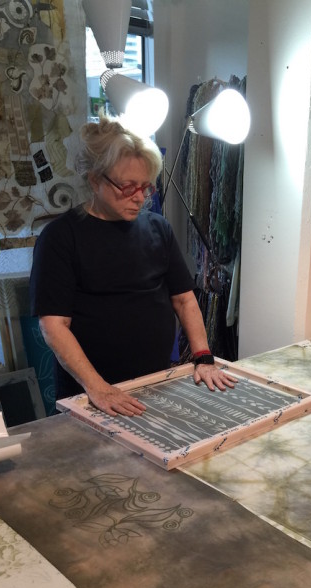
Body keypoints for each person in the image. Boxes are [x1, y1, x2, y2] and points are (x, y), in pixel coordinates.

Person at [29, 116, 235, 417]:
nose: (140, 198)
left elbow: (184, 299)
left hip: (154, 383)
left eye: (145, 187)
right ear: (95, 180)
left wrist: (203, 357)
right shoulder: (61, 238)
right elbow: (54, 327)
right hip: (89, 394)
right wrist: (97, 388)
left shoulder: (158, 228)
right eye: (127, 188)